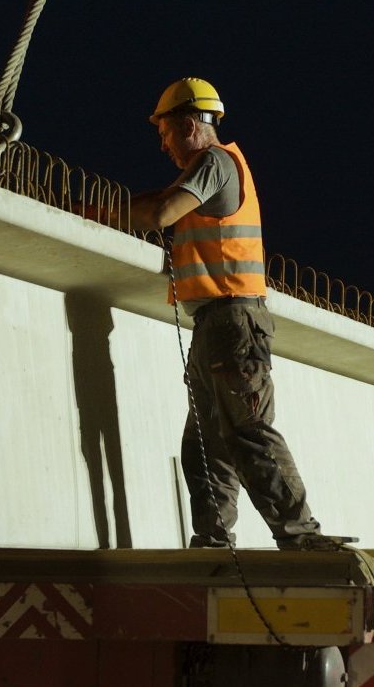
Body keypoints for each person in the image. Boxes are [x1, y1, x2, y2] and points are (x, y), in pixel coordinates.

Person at [127, 78, 339, 552]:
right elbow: (161, 201)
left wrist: (103, 208)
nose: (162, 144)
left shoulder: (215, 163)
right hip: (213, 325)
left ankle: (302, 538)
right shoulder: (204, 172)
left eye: (163, 132)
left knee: (247, 433)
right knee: (204, 447)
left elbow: (161, 211)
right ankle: (213, 541)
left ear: (187, 124)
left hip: (233, 323)